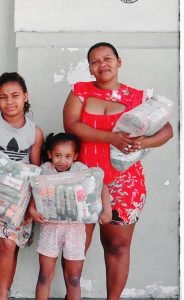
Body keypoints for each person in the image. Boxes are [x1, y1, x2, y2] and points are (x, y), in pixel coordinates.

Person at [63, 42, 173, 300]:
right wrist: (111, 138)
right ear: (90, 69)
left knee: (117, 246)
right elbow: (71, 125)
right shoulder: (79, 92)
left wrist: (141, 142)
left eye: (107, 58)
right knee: (75, 247)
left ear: (119, 61)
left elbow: (167, 130)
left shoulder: (139, 97)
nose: (102, 64)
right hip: (84, 180)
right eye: (95, 61)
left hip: (125, 183)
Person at [0, 72, 44, 300]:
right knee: (5, 244)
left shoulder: (35, 132)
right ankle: (3, 294)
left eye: (15, 95)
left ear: (25, 96)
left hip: (21, 201)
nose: (9, 101)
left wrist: (32, 204)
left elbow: (36, 171)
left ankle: (3, 291)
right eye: (3, 97)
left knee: (10, 246)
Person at [33, 133, 112, 300]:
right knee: (44, 276)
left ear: (75, 156)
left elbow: (101, 185)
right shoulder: (44, 170)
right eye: (58, 155)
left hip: (75, 231)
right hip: (50, 229)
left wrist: (107, 210)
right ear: (50, 155)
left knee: (74, 279)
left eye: (68, 156)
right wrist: (32, 210)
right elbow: (34, 191)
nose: (62, 161)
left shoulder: (81, 170)